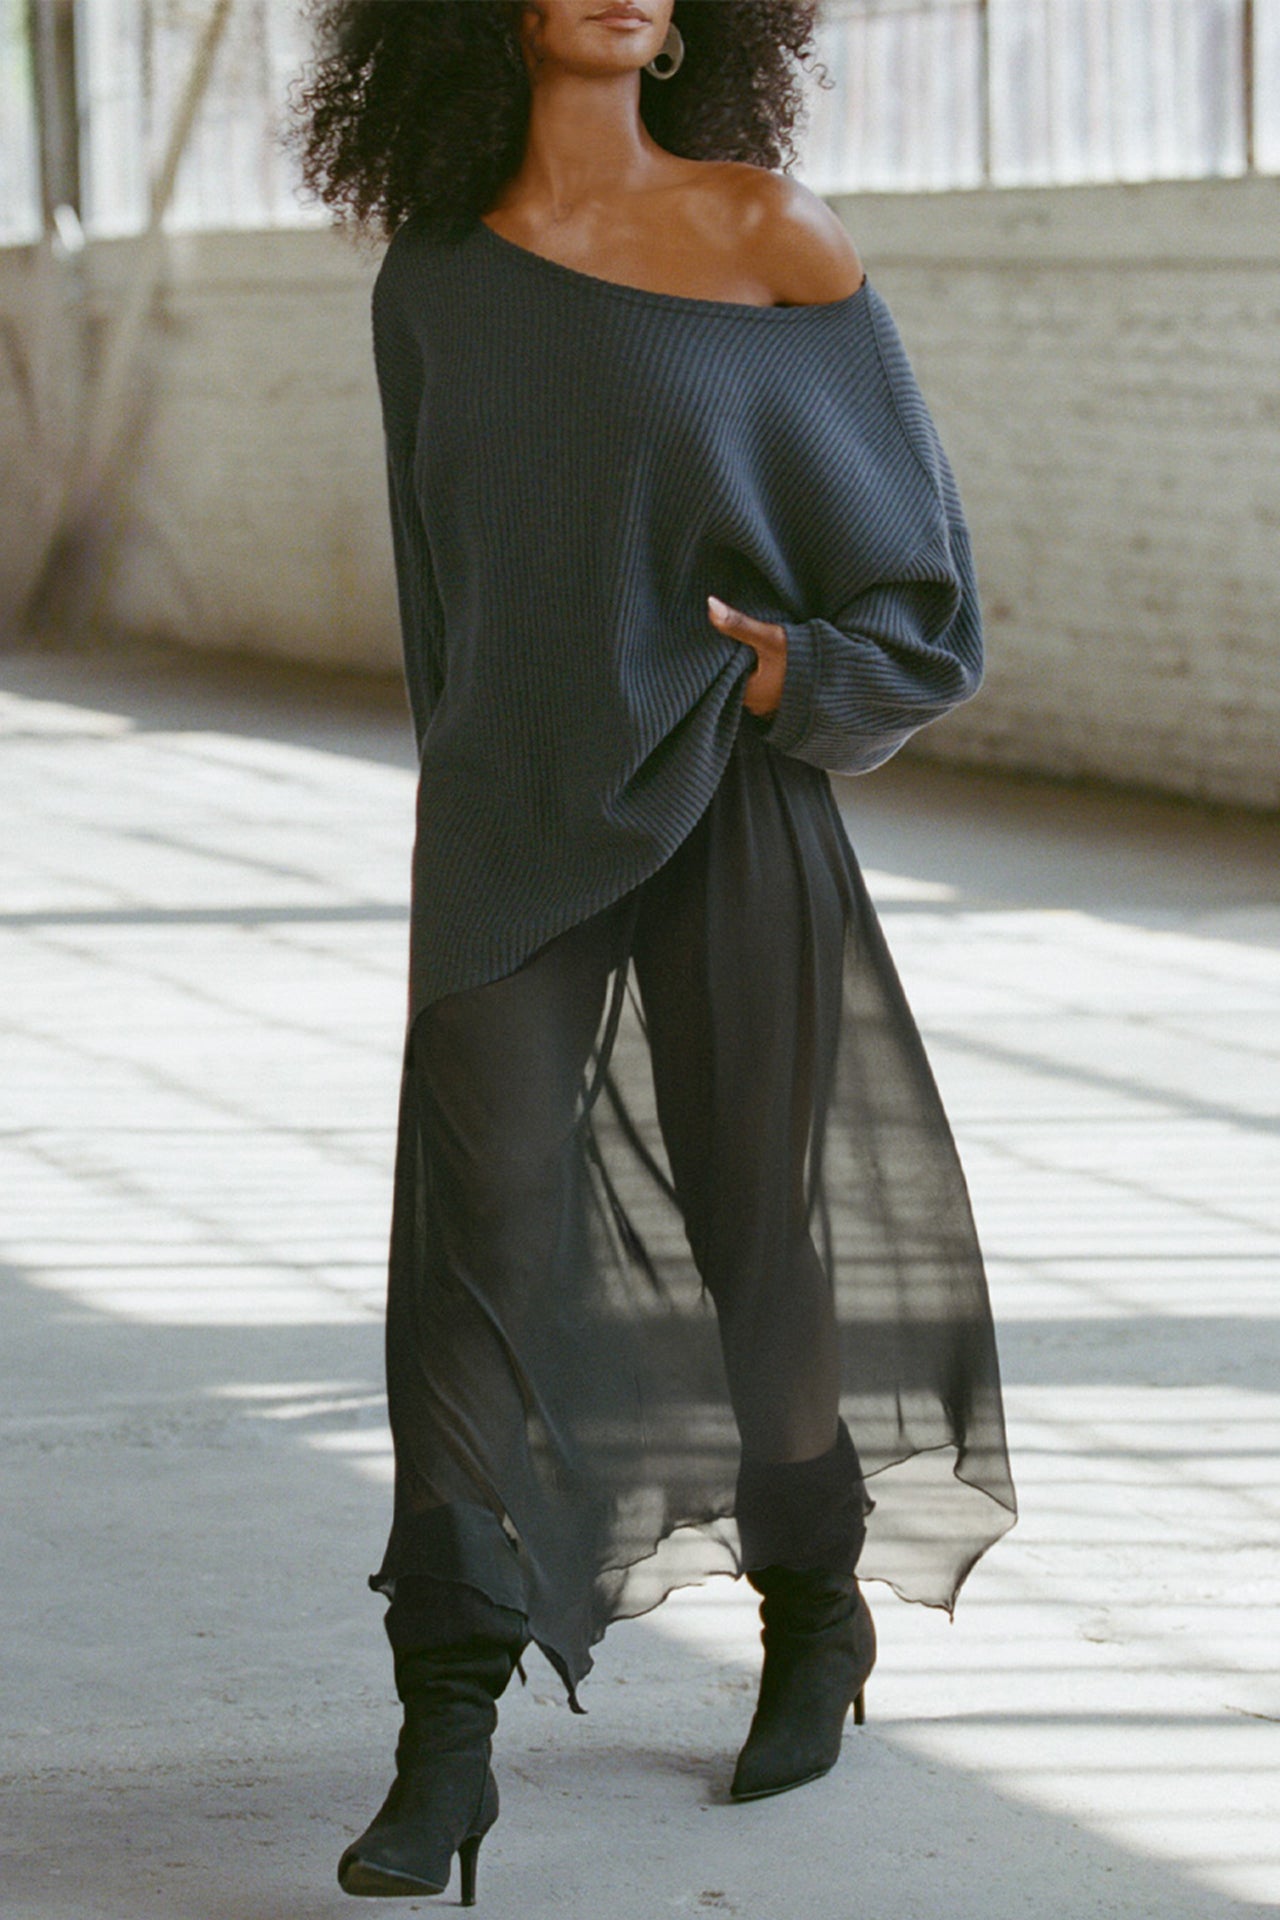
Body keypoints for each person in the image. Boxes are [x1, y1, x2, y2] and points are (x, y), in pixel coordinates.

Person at [293, 0, 1017, 1902]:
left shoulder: (772, 232)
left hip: (728, 789)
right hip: (511, 818)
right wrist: (479, 792)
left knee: (753, 1219)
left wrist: (800, 671)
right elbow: (439, 593)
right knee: (479, 1235)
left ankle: (813, 1615)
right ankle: (443, 1732)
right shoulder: (432, 283)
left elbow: (923, 583)